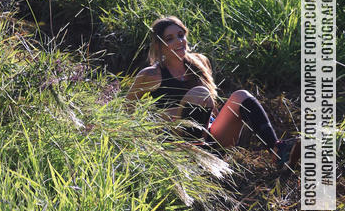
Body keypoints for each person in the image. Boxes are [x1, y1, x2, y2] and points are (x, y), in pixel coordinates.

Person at [126, 16, 300, 170]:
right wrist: (153, 128)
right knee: (199, 94)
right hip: (178, 141)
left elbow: (212, 104)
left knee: (242, 96)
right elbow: (127, 109)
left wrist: (217, 124)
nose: (179, 41)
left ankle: (277, 150)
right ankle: (193, 161)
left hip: (211, 135)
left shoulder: (200, 62)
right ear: (160, 46)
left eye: (181, 35)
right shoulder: (151, 74)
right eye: (169, 39)